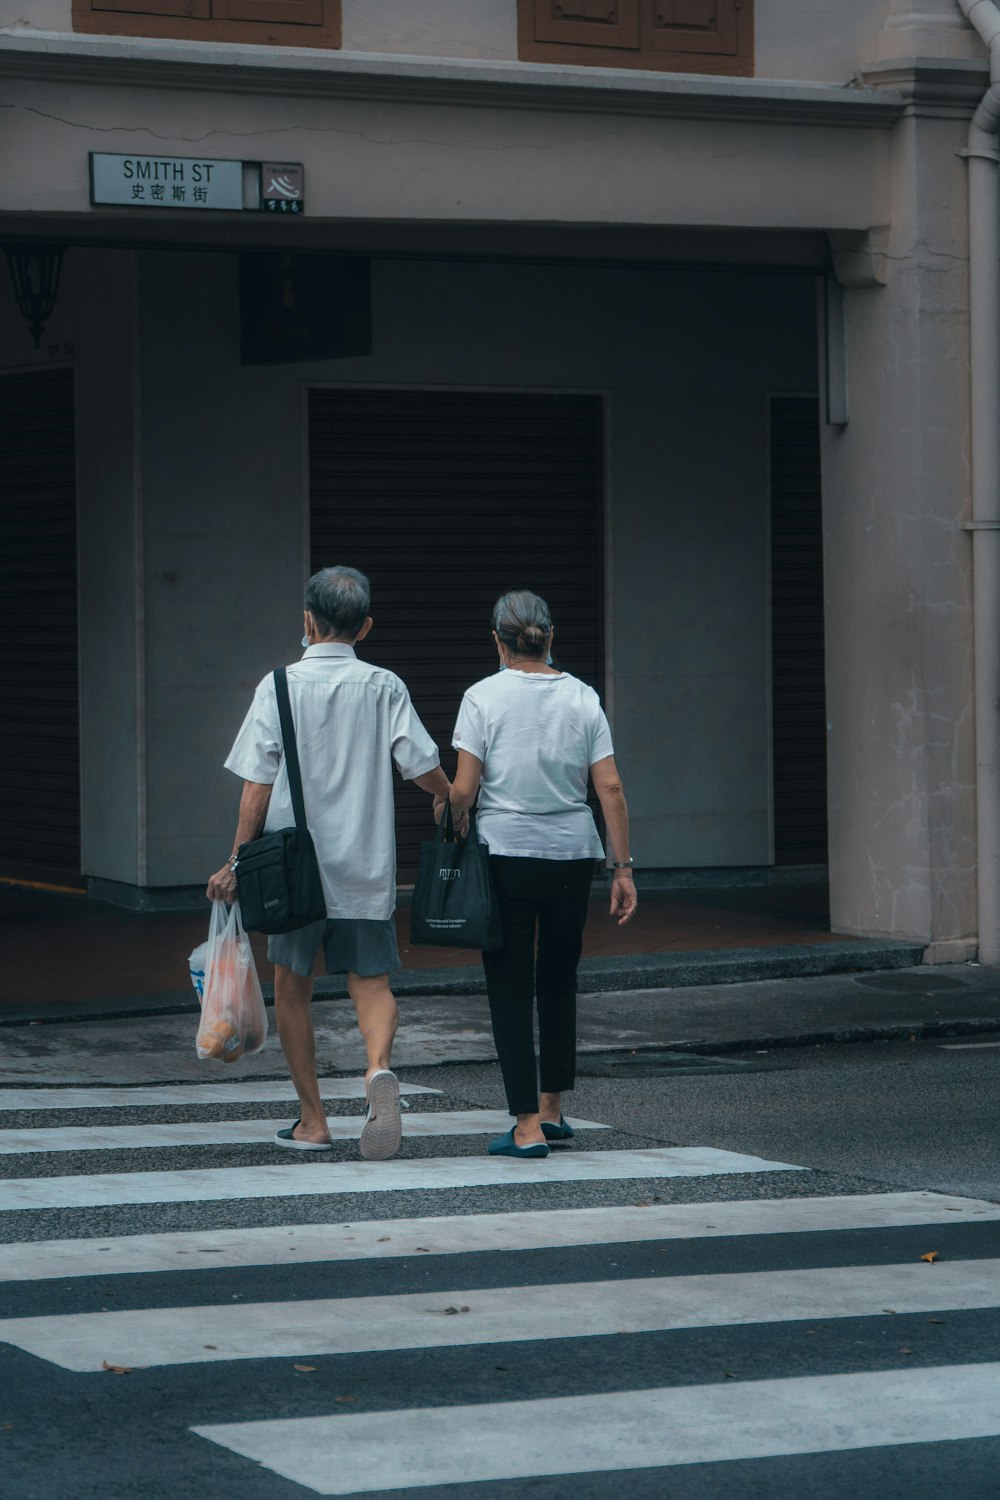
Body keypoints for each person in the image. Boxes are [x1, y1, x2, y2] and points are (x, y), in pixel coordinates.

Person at [206, 566, 453, 1160]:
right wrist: (449, 794)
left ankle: (313, 1122)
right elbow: (420, 767)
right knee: (370, 983)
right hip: (364, 867)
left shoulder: (277, 686)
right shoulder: (385, 685)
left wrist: (236, 861)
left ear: (307, 623)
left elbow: (256, 788)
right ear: (364, 627)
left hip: (291, 872)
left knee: (292, 989)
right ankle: (376, 1072)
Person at [447, 589, 637, 1158]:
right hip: (572, 856)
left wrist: (442, 807)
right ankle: (552, 1109)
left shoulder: (482, 697)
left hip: (505, 854)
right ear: (549, 637)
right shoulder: (582, 697)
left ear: (497, 642)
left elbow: (464, 791)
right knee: (558, 977)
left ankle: (526, 1127)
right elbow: (610, 787)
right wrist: (621, 868)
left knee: (509, 983)